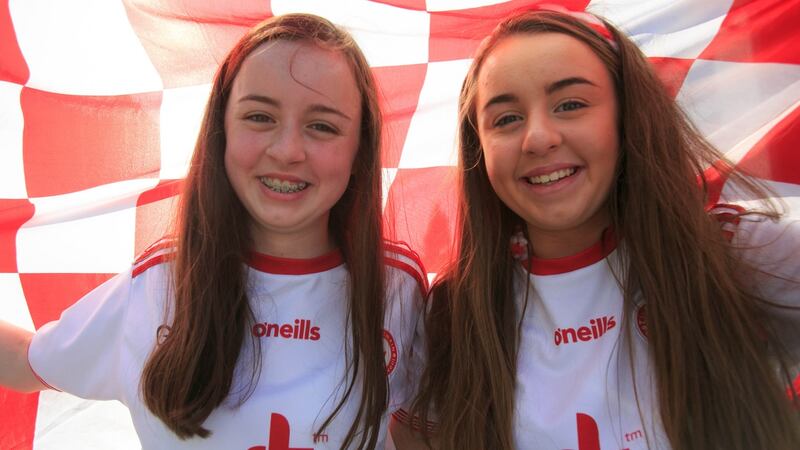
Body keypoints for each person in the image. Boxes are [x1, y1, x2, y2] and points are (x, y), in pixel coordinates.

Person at [0, 13, 425, 449]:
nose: (286, 150)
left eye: (322, 126)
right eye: (260, 116)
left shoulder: (399, 287)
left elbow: (421, 432)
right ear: (221, 132)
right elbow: (25, 361)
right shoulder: (159, 283)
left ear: (360, 148)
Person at [391, 8, 800, 450]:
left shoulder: (733, 251)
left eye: (570, 105)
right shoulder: (453, 311)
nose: (538, 137)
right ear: (480, 148)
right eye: (506, 118)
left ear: (629, 119)